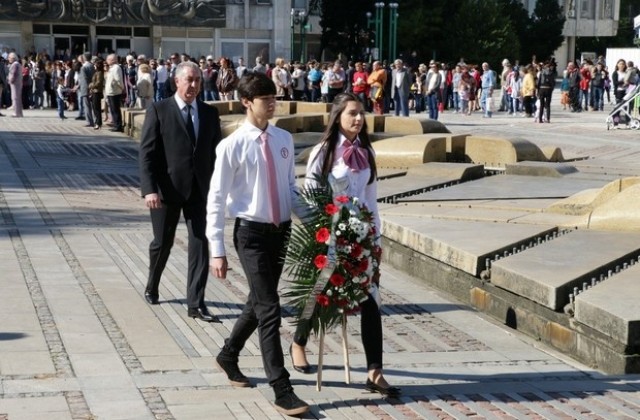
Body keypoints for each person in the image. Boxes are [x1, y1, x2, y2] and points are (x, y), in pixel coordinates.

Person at [205, 72, 310, 417]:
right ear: (247, 102)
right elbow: (217, 198)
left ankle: (228, 355)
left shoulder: (282, 139)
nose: (272, 104)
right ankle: (281, 388)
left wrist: (317, 222)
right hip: (250, 235)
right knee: (269, 308)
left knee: (258, 301)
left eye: (274, 98)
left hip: (281, 232)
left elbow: (290, 187)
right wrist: (216, 249)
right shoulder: (232, 145)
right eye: (266, 99)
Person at [291, 92, 401, 399]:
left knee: (371, 300)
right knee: (320, 294)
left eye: (361, 113)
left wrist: (375, 238)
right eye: (352, 113)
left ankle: (375, 371)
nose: (358, 118)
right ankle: (299, 342)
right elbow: (310, 196)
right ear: (338, 115)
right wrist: (324, 232)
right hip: (330, 236)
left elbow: (370, 198)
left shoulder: (366, 151)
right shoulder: (324, 152)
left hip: (361, 238)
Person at [139, 61, 222, 322]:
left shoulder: (210, 114)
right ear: (177, 82)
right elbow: (147, 153)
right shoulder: (159, 110)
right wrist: (149, 189)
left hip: (200, 191)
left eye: (198, 80)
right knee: (162, 242)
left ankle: (196, 303)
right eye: (189, 80)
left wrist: (221, 189)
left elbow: (215, 154)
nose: (194, 85)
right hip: (167, 191)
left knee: (200, 244)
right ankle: (152, 284)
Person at [105, 54, 124, 132]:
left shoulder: (116, 68)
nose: (107, 61)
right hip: (110, 92)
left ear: (113, 60)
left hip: (114, 92)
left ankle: (118, 126)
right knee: (112, 109)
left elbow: (118, 80)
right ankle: (116, 124)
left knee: (115, 109)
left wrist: (121, 88)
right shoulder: (111, 68)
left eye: (108, 59)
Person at [78, 53, 95, 127]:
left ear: (84, 58)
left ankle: (89, 121)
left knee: (87, 105)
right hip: (93, 87)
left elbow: (84, 79)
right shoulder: (92, 66)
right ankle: (95, 120)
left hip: (85, 88)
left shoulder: (83, 67)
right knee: (93, 105)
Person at [89, 58, 105, 130]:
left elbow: (98, 83)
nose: (94, 66)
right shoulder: (96, 73)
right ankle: (98, 122)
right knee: (95, 108)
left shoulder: (100, 73)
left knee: (96, 108)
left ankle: (98, 123)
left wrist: (91, 85)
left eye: (95, 64)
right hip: (94, 91)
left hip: (97, 92)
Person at [7, 52, 24, 117]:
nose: (8, 59)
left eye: (9, 57)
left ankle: (16, 113)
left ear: (13, 58)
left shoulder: (15, 64)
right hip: (18, 83)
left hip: (15, 84)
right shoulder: (18, 64)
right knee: (18, 98)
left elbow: (14, 74)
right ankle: (20, 113)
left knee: (15, 98)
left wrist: (10, 80)